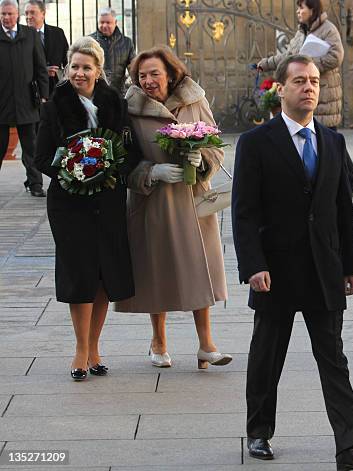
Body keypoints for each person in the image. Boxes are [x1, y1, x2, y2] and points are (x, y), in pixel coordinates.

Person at [232, 54, 353, 470]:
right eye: (300, 81)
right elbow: (244, 211)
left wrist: (350, 264)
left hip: (323, 270)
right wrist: (253, 264)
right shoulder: (256, 143)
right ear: (281, 88)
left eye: (314, 81)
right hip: (274, 272)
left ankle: (349, 445)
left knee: (333, 358)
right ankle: (259, 433)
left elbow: (342, 209)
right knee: (267, 357)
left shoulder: (333, 141)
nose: (309, 88)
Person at [114, 46, 232, 370]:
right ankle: (158, 341)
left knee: (200, 268)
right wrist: (151, 173)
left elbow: (214, 145)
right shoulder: (130, 109)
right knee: (157, 271)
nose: (149, 81)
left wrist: (202, 159)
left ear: (170, 73)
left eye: (154, 73)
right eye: (142, 76)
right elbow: (123, 161)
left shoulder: (195, 100)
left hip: (194, 199)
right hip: (155, 201)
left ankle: (206, 344)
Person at [34, 36, 141, 381]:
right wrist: (73, 168)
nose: (79, 73)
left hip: (108, 201)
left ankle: (95, 348)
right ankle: (80, 349)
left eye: (86, 67)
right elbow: (40, 157)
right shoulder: (55, 105)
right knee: (78, 272)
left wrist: (111, 168)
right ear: (67, 69)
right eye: (74, 67)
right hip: (69, 203)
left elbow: (131, 149)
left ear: (98, 70)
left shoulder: (114, 102)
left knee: (103, 276)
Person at [257, 0, 353, 195]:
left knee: (329, 140)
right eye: (298, 8)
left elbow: (336, 56)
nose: (298, 11)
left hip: (324, 93)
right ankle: (351, 182)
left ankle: (349, 183)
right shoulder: (301, 32)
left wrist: (308, 66)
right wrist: (265, 63)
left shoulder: (328, 29)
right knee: (328, 141)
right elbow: (288, 57)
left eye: (302, 8)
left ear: (312, 10)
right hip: (310, 98)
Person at [0, 0, 48, 197]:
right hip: (2, 103)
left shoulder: (30, 35)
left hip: (27, 101)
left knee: (31, 147)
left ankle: (35, 184)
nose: (6, 17)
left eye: (10, 14)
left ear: (17, 15)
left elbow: (40, 68)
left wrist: (44, 96)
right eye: (3, 14)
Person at [25, 0, 69, 98]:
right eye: (26, 13)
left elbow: (68, 61)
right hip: (33, 92)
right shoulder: (22, 38)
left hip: (57, 91)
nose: (28, 17)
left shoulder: (58, 33)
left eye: (32, 12)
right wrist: (43, 71)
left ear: (43, 14)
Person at [89, 7, 135, 94]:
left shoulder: (126, 42)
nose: (104, 26)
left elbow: (133, 68)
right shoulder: (89, 41)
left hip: (118, 92)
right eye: (102, 22)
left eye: (108, 22)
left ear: (115, 22)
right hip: (94, 92)